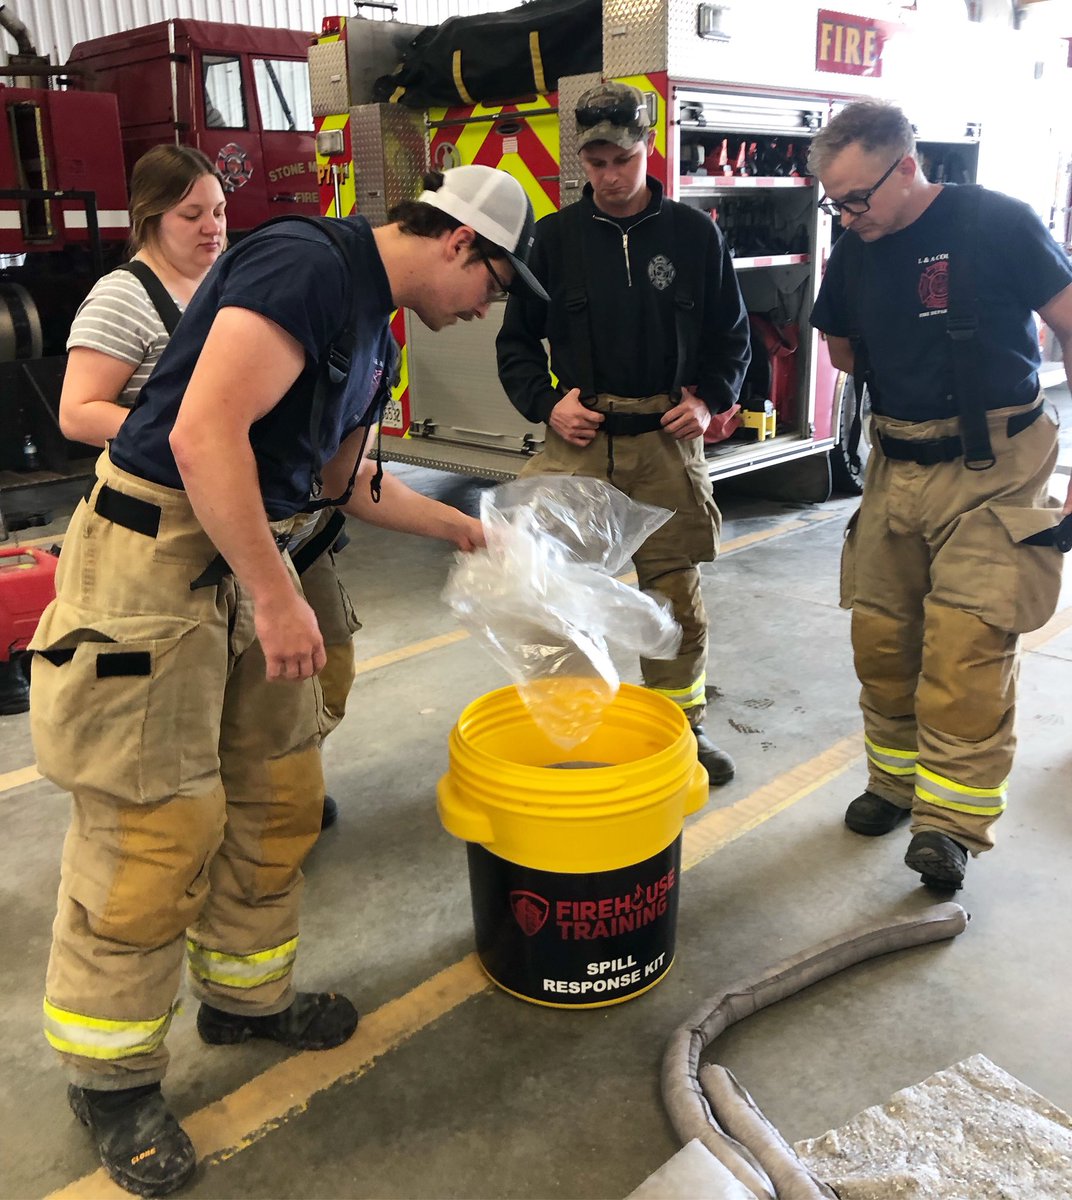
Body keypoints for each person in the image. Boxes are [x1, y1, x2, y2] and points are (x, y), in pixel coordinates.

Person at [30, 162, 546, 1197]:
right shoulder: (306, 266)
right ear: (457, 242)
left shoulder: (373, 327)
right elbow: (202, 432)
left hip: (248, 555)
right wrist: (278, 596)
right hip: (159, 562)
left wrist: (468, 530)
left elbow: (337, 482)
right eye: (492, 282)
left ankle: (243, 1000)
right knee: (153, 823)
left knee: (276, 796)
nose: (487, 305)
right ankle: (112, 1079)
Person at [808, 99, 1072, 891]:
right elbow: (841, 347)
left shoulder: (997, 224)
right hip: (896, 463)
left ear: (908, 165)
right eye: (835, 203)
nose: (849, 216)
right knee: (883, 640)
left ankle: (950, 824)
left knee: (965, 649)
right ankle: (894, 783)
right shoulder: (853, 248)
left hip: (997, 466)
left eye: (859, 198)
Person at [61, 144, 350, 833]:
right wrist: (196, 436)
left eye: (219, 211)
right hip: (175, 525)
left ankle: (273, 794)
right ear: (149, 216)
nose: (212, 227)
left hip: (253, 515)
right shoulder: (124, 296)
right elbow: (78, 410)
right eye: (192, 214)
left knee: (309, 662)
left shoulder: (232, 281)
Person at [496, 81, 751, 786]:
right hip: (577, 444)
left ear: (648, 150)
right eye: (596, 162)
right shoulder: (553, 240)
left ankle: (680, 732)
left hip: (666, 444)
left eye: (622, 160)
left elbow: (733, 335)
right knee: (550, 597)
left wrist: (709, 402)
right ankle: (571, 732)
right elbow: (515, 345)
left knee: (673, 601)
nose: (608, 177)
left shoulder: (694, 235)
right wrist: (547, 405)